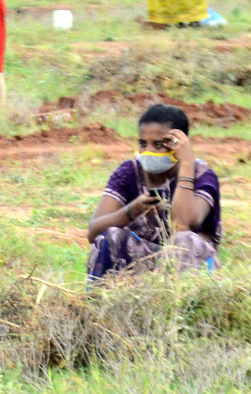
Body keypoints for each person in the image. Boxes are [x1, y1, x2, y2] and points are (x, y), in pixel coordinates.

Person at [86, 104, 222, 281]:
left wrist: (186, 164)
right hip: (142, 261)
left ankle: (181, 307)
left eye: (158, 145)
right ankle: (99, 304)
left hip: (190, 269)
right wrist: (131, 211)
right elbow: (93, 232)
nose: (148, 151)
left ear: (179, 145)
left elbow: (181, 225)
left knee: (184, 241)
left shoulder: (201, 175)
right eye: (143, 143)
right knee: (111, 236)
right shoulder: (129, 172)